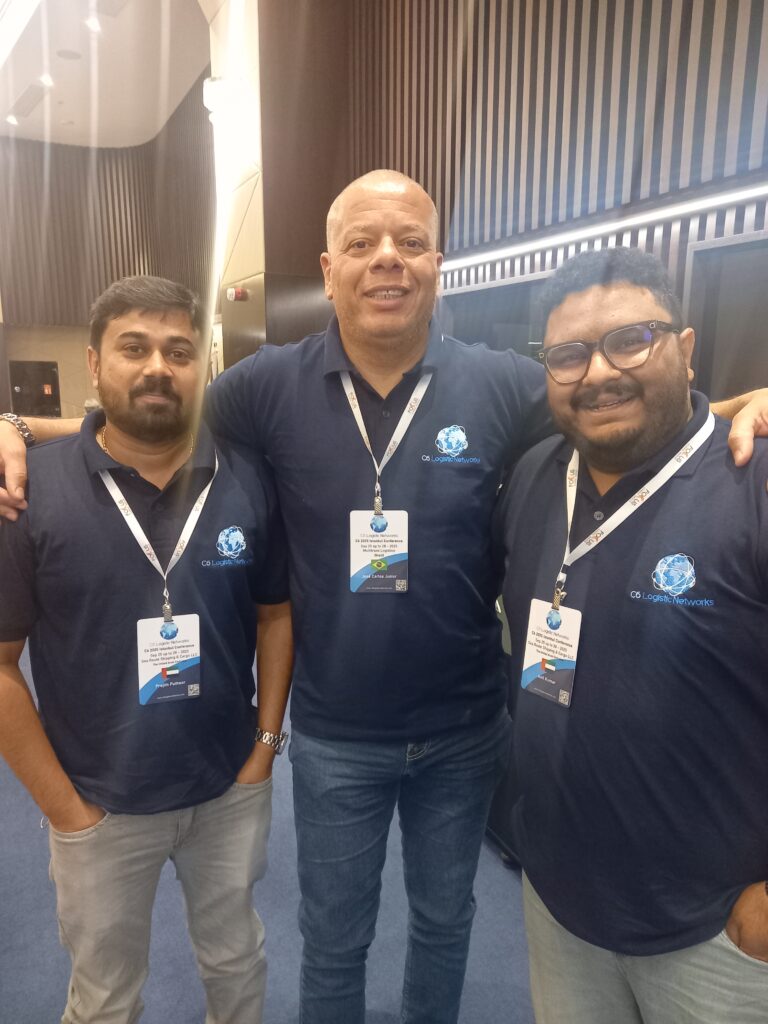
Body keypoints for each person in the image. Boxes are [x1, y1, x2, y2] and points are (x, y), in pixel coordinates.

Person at [1, 173, 767, 1024]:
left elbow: (624, 402)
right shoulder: (269, 384)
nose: (387, 260)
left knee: (444, 924)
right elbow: (153, 416)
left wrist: (755, 403)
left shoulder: (500, 382)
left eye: (410, 242)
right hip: (337, 735)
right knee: (334, 938)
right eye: (362, 244)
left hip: (465, 730)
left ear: (438, 263)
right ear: (329, 271)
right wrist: (20, 429)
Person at [0, 276, 293, 1024]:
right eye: (134, 348)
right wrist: (65, 809)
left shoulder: (247, 479)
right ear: (94, 364)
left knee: (237, 965)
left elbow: (275, 616)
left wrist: (264, 749)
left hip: (227, 790)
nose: (158, 367)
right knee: (104, 997)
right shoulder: (29, 492)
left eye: (179, 351)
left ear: (202, 368)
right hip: (98, 802)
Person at [498, 247, 768, 1024]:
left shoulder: (750, 481)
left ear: (685, 348)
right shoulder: (537, 477)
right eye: (568, 355)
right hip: (557, 900)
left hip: (713, 932)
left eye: (630, 341)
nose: (598, 373)